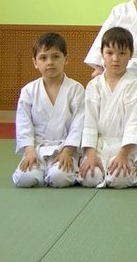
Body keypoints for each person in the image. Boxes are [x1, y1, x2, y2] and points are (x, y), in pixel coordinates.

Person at [79, 27, 137, 189]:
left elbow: (134, 124)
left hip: (125, 145)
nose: (115, 59)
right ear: (102, 54)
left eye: (122, 53)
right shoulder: (94, 85)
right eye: (110, 53)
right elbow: (89, 123)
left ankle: (126, 169)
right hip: (100, 145)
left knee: (119, 179)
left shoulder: (135, 85)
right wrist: (91, 154)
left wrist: (123, 154)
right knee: (90, 177)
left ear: (131, 54)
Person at [12, 33, 85, 188]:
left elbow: (78, 125)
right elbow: (23, 124)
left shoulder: (76, 89)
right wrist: (29, 151)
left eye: (56, 57)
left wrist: (67, 151)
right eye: (43, 58)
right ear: (35, 62)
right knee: (25, 179)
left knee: (60, 178)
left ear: (66, 59)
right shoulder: (28, 91)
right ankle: (40, 171)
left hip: (64, 148)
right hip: (37, 150)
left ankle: (54, 171)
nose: (50, 62)